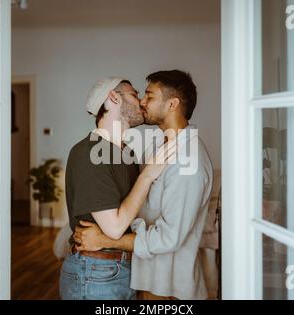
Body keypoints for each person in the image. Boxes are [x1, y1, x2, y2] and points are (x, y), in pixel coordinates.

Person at [74, 70, 214, 300]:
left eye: (149, 96)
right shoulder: (158, 146)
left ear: (172, 104)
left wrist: (105, 239)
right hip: (146, 280)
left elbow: (169, 238)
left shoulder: (189, 161)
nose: (142, 102)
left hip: (168, 290)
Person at [60, 77, 175, 300]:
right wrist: (149, 174)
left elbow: (133, 211)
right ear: (113, 98)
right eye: (134, 94)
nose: (142, 101)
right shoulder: (88, 153)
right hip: (95, 275)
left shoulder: (127, 153)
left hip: (121, 270)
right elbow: (114, 228)